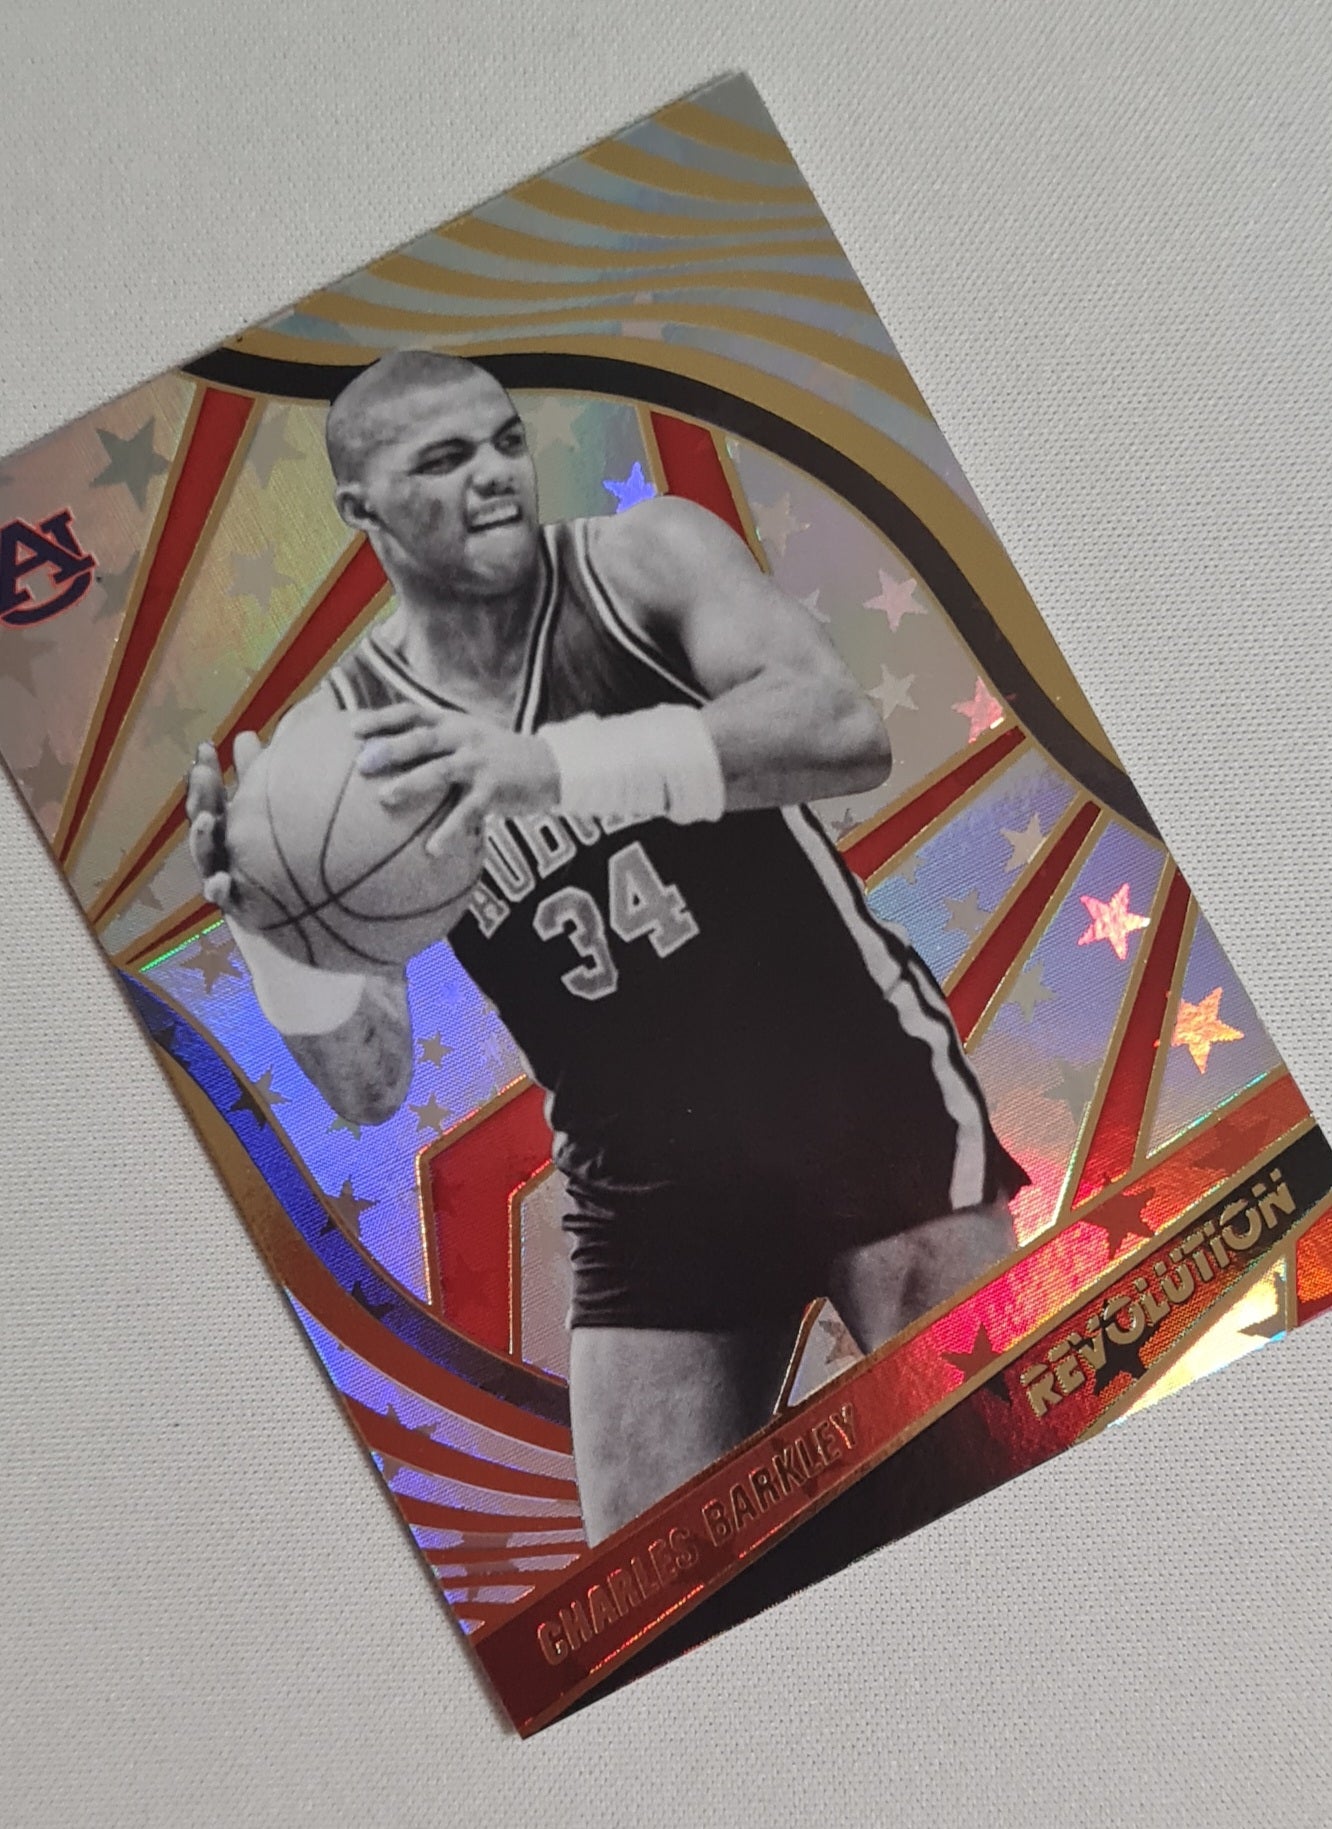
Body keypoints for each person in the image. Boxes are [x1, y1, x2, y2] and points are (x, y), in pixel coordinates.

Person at [187, 351, 1026, 1544]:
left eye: (503, 442)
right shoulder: (346, 758)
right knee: (654, 1594)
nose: (493, 475)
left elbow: (842, 729)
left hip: (849, 1089)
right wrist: (274, 934)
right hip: (642, 1174)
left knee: (1004, 1463)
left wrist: (551, 765)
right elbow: (368, 1086)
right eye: (445, 459)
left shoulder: (642, 561)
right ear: (362, 508)